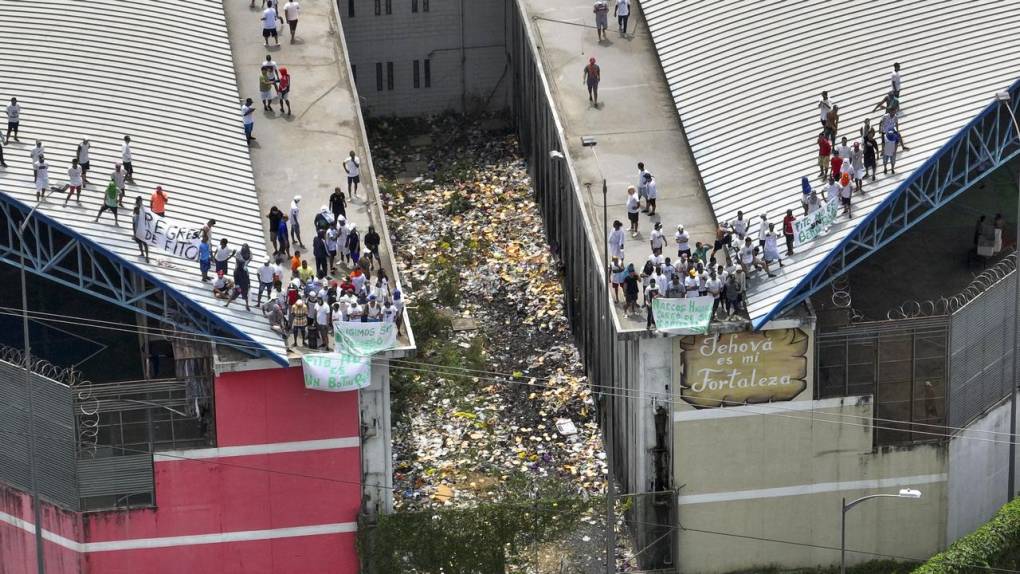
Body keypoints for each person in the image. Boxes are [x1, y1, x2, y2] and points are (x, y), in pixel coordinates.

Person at [131, 197, 150, 261]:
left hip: (142, 231)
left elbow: (146, 221)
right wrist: (134, 233)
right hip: (138, 232)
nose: (136, 211)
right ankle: (142, 253)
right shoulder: (134, 216)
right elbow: (133, 225)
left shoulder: (142, 215)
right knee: (140, 243)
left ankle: (147, 256)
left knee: (144, 243)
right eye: (136, 210)